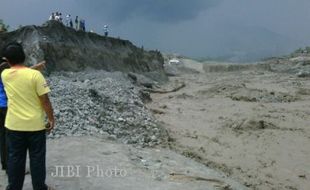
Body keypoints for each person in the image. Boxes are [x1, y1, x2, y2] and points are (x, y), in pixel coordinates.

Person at [1, 42, 55, 190]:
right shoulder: (36, 76)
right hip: (35, 126)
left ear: (7, 60)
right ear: (23, 57)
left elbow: (17, 73)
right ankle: (39, 187)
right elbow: (45, 101)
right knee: (37, 160)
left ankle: (14, 187)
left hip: (13, 126)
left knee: (15, 159)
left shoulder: (5, 75)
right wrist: (51, 118)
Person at [0, 58, 46, 174]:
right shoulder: (5, 71)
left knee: (3, 137)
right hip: (6, 106)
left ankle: (6, 165)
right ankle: (11, 168)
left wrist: (35, 67)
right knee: (9, 140)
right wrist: (36, 68)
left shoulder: (4, 71)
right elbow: (21, 75)